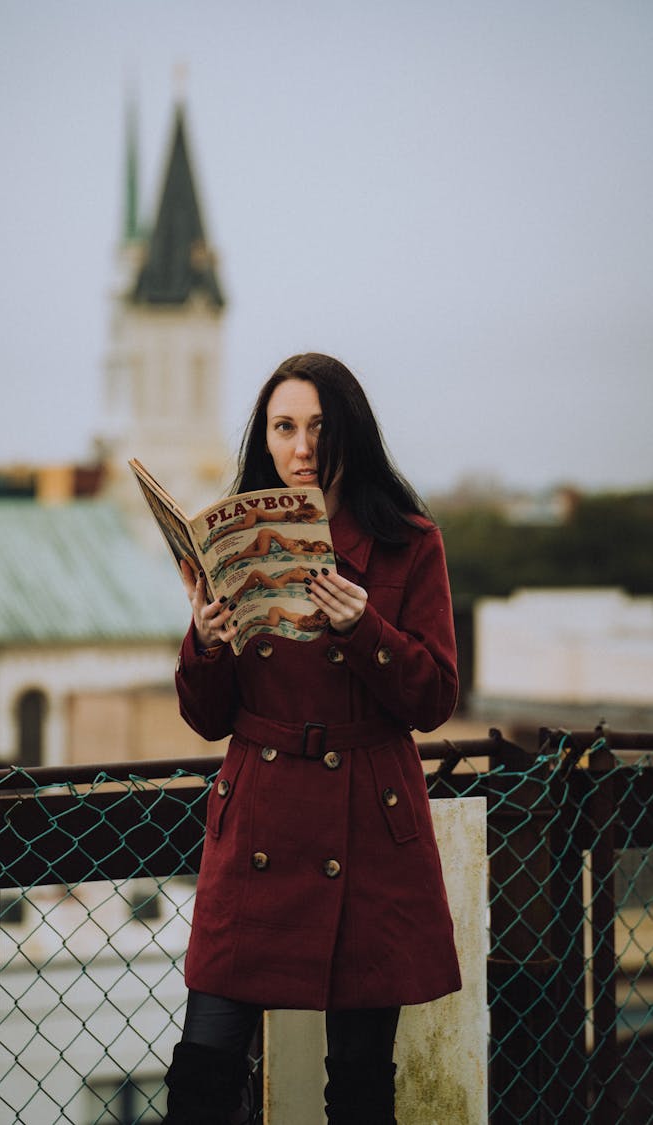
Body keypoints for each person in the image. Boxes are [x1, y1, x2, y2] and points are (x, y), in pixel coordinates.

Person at [163, 353, 461, 1125]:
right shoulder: (233, 540)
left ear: (350, 434)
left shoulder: (409, 541)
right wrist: (206, 639)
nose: (302, 446)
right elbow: (206, 715)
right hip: (258, 813)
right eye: (285, 427)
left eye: (319, 427)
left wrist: (364, 628)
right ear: (264, 438)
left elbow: (434, 696)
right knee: (202, 1069)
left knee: (360, 1089)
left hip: (367, 823)